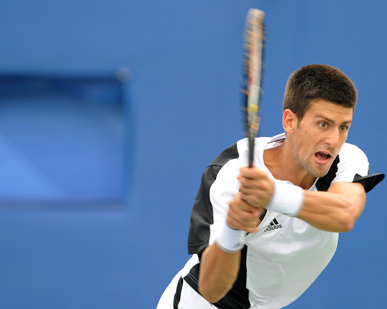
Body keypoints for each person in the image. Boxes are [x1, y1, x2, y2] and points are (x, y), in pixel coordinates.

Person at [157, 64, 384, 309]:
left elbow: (344, 214)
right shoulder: (233, 174)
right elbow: (211, 289)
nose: (333, 140)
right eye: (323, 124)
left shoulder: (346, 159)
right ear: (290, 121)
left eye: (343, 127)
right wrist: (233, 230)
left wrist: (273, 195)